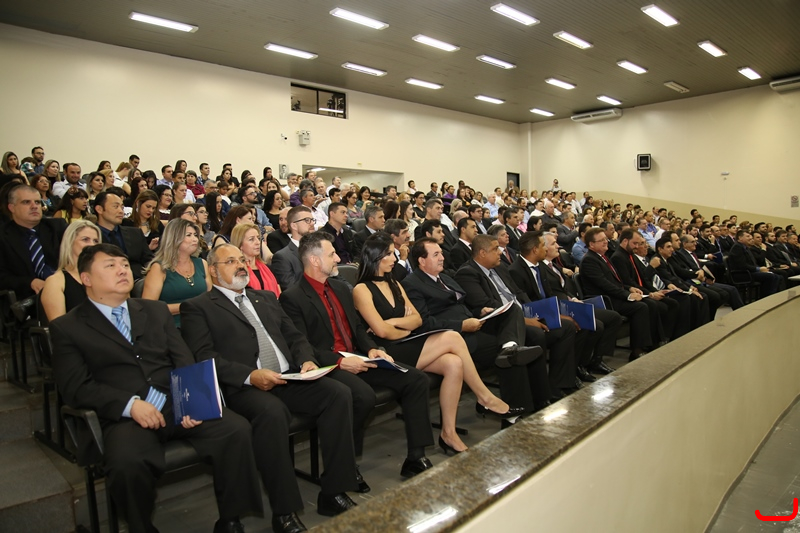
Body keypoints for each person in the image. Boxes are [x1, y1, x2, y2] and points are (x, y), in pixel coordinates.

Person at [51, 244, 262, 533]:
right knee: (127, 463)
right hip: (125, 416)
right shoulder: (68, 327)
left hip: (174, 402)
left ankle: (230, 520)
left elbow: (183, 359)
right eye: (110, 266)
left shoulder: (154, 310)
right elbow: (76, 387)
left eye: (124, 264)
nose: (122, 270)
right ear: (86, 278)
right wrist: (130, 405)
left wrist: (191, 400)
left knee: (235, 430)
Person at [180, 244, 361, 530]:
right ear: (213, 271)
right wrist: (250, 376)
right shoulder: (198, 307)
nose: (241, 265)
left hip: (287, 377)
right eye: (231, 261)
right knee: (273, 413)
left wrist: (306, 360)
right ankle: (284, 512)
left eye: (242, 260)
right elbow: (204, 357)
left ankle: (333, 491)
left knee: (338, 394)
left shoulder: (264, 297)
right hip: (243, 387)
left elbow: (295, 335)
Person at [280, 231, 435, 479]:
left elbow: (358, 328)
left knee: (416, 379)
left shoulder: (341, 288)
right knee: (362, 396)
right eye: (332, 254)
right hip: (329, 364)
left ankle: (416, 457)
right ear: (315, 260)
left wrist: (373, 348)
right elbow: (303, 345)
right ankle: (346, 465)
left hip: (358, 356)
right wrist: (341, 361)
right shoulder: (293, 297)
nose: (337, 258)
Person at [353, 233, 522, 454]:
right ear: (375, 257)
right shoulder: (361, 289)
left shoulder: (394, 284)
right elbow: (381, 332)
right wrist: (400, 327)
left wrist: (394, 323)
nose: (395, 257)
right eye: (389, 254)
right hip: (386, 352)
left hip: (408, 341)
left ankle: (448, 434)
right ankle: (485, 397)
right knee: (453, 337)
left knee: (454, 363)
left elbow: (417, 320)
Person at [402, 238, 549, 415]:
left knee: (514, 314)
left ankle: (515, 355)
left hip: (473, 323)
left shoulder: (445, 278)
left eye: (441, 253)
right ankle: (517, 409)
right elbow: (424, 323)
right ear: (422, 260)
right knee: (507, 350)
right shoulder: (412, 284)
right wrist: (461, 325)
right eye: (436, 254)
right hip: (454, 337)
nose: (442, 257)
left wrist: (479, 311)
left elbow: (463, 304)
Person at [455, 234, 580, 397]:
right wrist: (524, 320)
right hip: (502, 323)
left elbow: (518, 293)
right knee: (536, 334)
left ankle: (559, 384)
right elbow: (487, 305)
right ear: (482, 253)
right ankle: (540, 394)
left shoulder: (500, 267)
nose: (500, 252)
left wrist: (537, 314)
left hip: (523, 313)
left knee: (566, 327)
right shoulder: (467, 273)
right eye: (495, 249)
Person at [578, 227, 654, 360]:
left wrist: (629, 288)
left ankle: (646, 344)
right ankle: (636, 350)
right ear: (591, 244)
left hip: (613, 296)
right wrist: (627, 295)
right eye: (601, 240)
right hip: (604, 300)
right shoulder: (589, 260)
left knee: (646, 302)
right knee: (640, 307)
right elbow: (605, 285)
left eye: (605, 239)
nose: (605, 242)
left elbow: (616, 282)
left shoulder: (603, 257)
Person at [0, 185, 68, 298]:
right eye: (26, 202)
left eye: (37, 202)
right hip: (26, 298)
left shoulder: (57, 227)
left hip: (64, 290)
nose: (34, 206)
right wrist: (30, 282)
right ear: (12, 208)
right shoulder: (3, 236)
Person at [142, 219, 211, 328]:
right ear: (174, 238)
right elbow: (149, 307)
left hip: (203, 323)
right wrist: (187, 307)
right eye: (188, 235)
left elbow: (210, 298)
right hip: (172, 326)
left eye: (195, 235)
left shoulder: (202, 263)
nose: (195, 239)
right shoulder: (158, 268)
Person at [39, 220, 101, 323]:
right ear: (70, 242)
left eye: (95, 241)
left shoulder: (104, 277)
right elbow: (59, 328)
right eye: (85, 239)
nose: (92, 245)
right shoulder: (55, 282)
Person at [94, 192, 155, 280]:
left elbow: (149, 261)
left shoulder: (135, 233)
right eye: (115, 206)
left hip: (138, 280)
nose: (121, 211)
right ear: (99, 209)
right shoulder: (91, 237)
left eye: (122, 207)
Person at [272, 206, 315, 290]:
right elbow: (291, 289)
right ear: (294, 226)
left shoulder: (320, 248)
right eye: (307, 220)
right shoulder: (282, 257)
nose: (312, 223)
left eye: (312, 220)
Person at [231, 223, 280, 295]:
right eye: (251, 239)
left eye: (258, 238)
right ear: (240, 244)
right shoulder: (236, 271)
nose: (258, 242)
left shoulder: (268, 268)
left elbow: (279, 293)